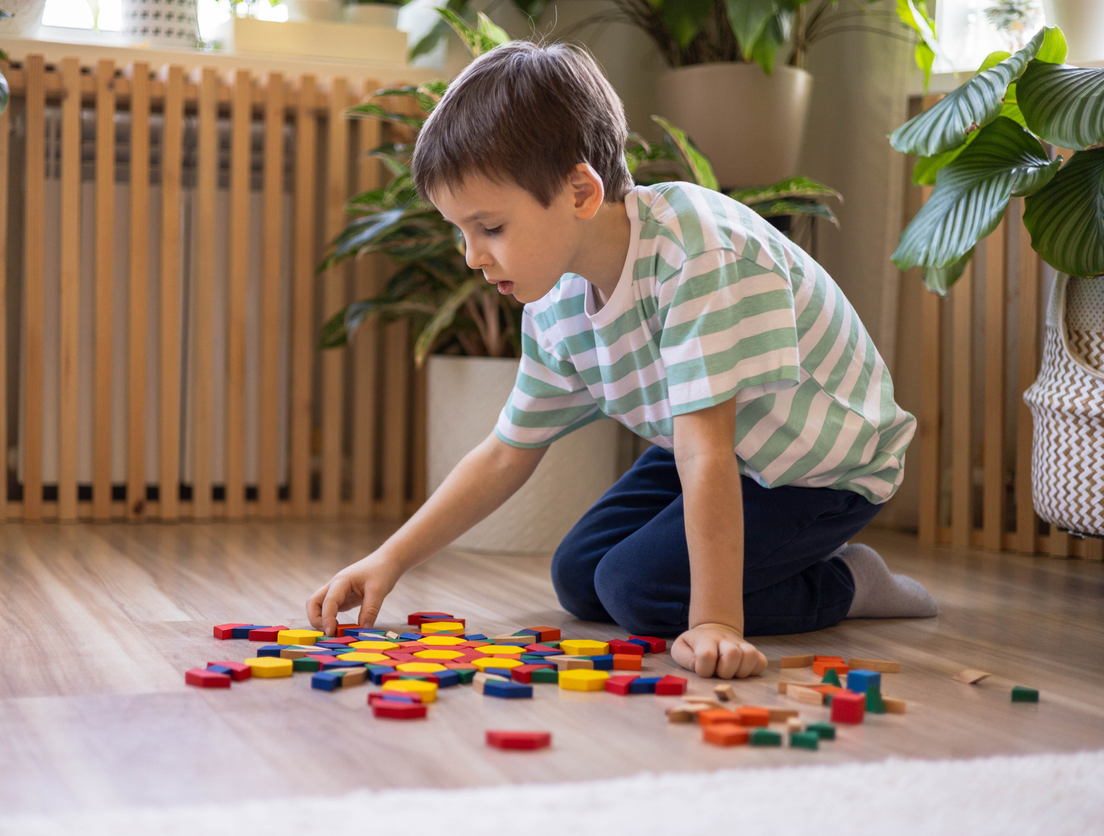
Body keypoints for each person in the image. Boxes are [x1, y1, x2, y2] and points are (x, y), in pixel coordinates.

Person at [306, 40, 937, 679]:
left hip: (818, 467)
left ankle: (847, 583)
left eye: (490, 228)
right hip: (719, 449)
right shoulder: (555, 307)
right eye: (461, 231)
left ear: (581, 190)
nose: (472, 255)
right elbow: (504, 454)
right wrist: (389, 559)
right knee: (581, 577)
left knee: (641, 592)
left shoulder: (698, 257)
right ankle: (772, 572)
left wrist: (715, 621)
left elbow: (705, 451)